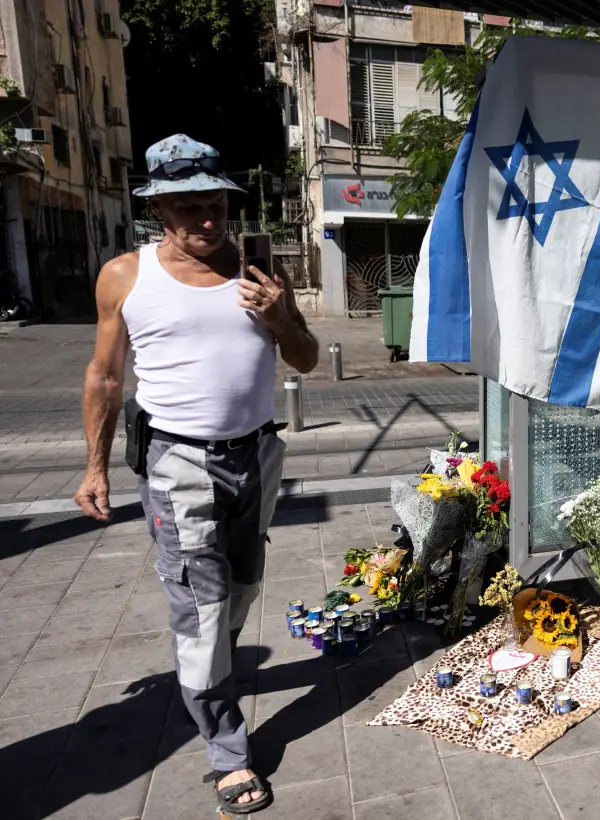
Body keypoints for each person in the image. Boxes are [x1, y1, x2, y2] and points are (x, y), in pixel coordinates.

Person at [74, 134, 318, 814]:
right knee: (203, 605)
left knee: (241, 592)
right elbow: (104, 376)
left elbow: (305, 359)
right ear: (159, 211)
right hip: (176, 459)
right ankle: (227, 749)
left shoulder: (259, 270)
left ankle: (203, 678)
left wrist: (277, 319)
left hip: (258, 456)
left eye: (216, 205)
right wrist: (95, 467)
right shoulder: (125, 276)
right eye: (190, 209)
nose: (208, 221)